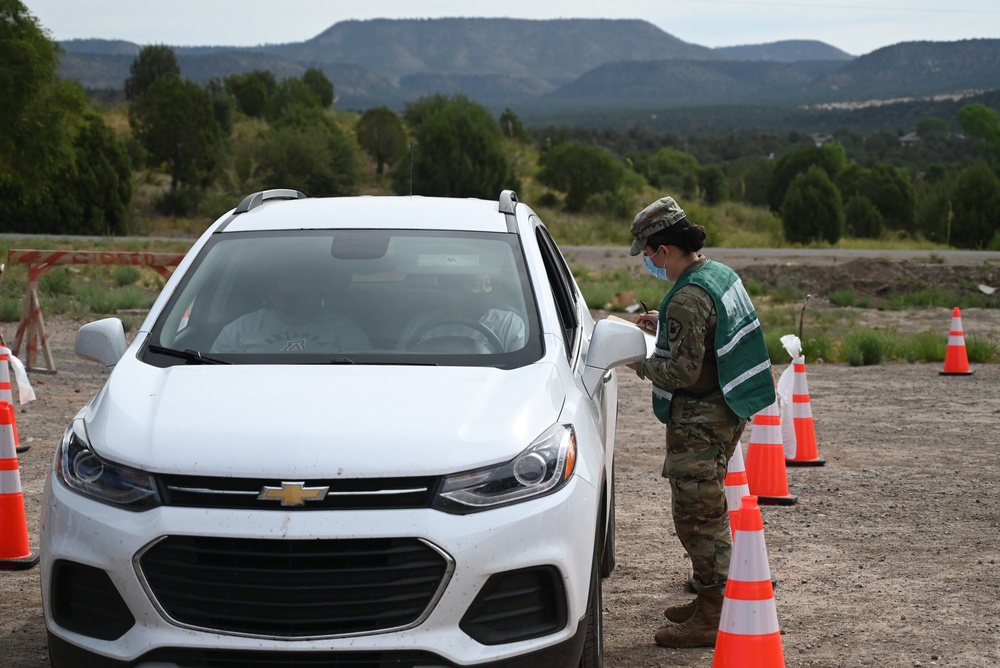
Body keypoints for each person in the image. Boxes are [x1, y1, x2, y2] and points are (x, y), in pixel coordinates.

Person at [626, 195, 775, 648]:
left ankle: (714, 612)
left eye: (648, 254)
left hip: (701, 418)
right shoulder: (716, 273)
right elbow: (707, 339)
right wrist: (662, 326)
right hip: (727, 409)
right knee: (708, 507)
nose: (648, 262)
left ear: (664, 251)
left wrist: (635, 358)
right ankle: (715, 599)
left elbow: (683, 372)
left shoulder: (688, 297)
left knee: (697, 516)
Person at [211, 268, 372, 354]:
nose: (305, 294)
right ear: (274, 297)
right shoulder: (239, 331)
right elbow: (214, 375)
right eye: (295, 290)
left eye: (309, 288)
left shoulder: (345, 330)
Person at [398, 272, 526, 353]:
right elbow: (402, 363)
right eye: (475, 285)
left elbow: (520, 368)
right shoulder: (421, 323)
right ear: (452, 292)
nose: (484, 292)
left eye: (488, 284)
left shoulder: (508, 323)